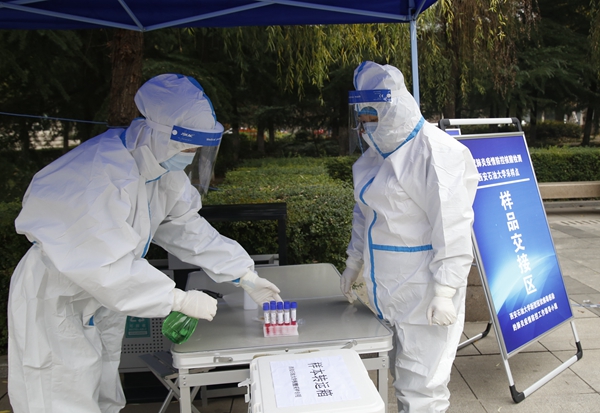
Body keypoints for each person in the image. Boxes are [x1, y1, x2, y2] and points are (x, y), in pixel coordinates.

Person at [8, 73, 282, 413]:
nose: (190, 156)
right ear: (161, 135)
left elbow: (185, 227)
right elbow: (104, 265)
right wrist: (177, 299)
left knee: (104, 395)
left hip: (100, 301)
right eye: (188, 148)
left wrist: (244, 274)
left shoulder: (159, 169)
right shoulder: (102, 173)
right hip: (59, 297)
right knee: (61, 400)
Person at [341, 61, 478, 412]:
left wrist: (445, 290)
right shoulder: (375, 157)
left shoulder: (436, 152)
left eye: (370, 117)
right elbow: (364, 213)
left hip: (425, 292)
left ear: (391, 110)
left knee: (423, 389)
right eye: (361, 118)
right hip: (388, 291)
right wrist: (354, 262)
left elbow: (453, 226)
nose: (364, 126)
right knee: (401, 379)